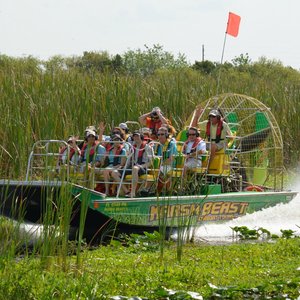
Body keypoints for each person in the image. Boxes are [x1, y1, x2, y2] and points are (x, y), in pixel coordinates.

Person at [111, 131, 151, 197]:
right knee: (114, 172)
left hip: (143, 168)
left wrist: (140, 166)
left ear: (141, 137)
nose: (136, 138)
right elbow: (129, 160)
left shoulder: (147, 147)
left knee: (135, 168)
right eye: (134, 136)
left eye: (137, 136)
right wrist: (123, 167)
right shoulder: (132, 147)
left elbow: (150, 162)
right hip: (132, 167)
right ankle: (127, 191)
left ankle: (133, 193)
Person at [153, 126, 178, 194]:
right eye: (158, 134)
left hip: (169, 165)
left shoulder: (171, 144)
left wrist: (161, 164)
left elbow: (172, 158)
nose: (160, 136)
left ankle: (164, 191)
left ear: (166, 135)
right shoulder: (156, 144)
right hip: (158, 165)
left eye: (162, 134)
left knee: (162, 170)